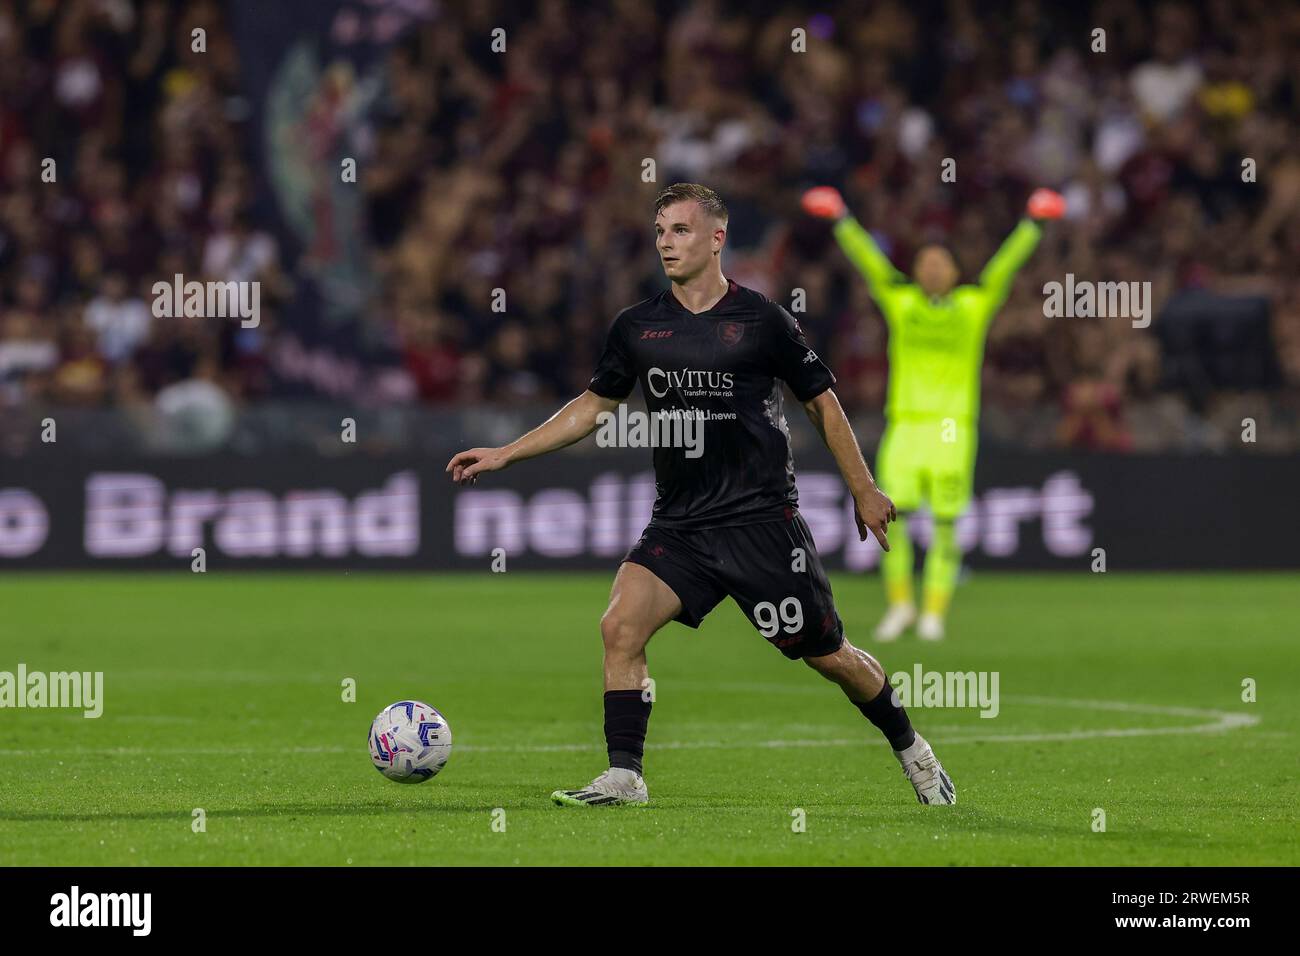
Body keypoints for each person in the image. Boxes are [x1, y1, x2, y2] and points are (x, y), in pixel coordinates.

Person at [447, 183, 956, 807]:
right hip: (681, 525)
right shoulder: (637, 327)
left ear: (718, 238)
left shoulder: (764, 321)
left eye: (681, 230)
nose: (666, 242)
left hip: (761, 525)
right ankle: (625, 775)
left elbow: (821, 401)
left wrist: (864, 487)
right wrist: (505, 453)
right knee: (620, 627)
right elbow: (593, 407)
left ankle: (914, 750)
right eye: (660, 231)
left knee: (831, 658)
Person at [803, 185, 1064, 640]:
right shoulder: (902, 304)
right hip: (905, 427)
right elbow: (870, 261)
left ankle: (934, 613)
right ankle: (901, 605)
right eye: (925, 262)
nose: (933, 268)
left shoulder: (972, 306)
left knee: (946, 524)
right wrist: (841, 217)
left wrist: (1033, 223)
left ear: (956, 272)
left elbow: (1004, 266)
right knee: (891, 518)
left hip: (951, 430)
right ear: (918, 271)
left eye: (941, 262)